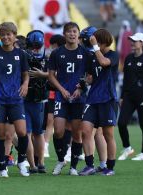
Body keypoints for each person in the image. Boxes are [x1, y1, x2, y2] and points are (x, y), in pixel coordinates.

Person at [0, 22, 30, 177]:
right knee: (0, 134)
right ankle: (3, 167)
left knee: (22, 131)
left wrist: (25, 84)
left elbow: (26, 74)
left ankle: (22, 161)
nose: (5, 37)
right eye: (2, 34)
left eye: (8, 34)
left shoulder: (21, 54)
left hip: (16, 99)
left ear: (14, 35)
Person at [48, 22, 89, 176]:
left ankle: (73, 167)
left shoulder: (85, 53)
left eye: (74, 31)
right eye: (69, 32)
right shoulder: (57, 53)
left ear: (78, 34)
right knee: (58, 131)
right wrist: (61, 89)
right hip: (61, 97)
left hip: (79, 98)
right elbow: (51, 75)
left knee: (77, 133)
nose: (72, 34)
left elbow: (89, 75)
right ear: (64, 34)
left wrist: (80, 88)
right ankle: (60, 160)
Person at [80, 28, 119, 176]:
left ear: (102, 42)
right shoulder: (93, 56)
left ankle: (109, 167)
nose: (93, 44)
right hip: (93, 98)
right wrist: (84, 82)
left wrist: (95, 47)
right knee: (85, 130)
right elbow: (91, 77)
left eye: (97, 42)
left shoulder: (113, 55)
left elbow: (104, 63)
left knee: (108, 135)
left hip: (107, 99)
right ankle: (89, 165)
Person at [118, 32, 143, 161]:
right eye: (132, 40)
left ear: (142, 44)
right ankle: (127, 148)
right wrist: (122, 96)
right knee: (121, 123)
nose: (132, 43)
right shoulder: (128, 58)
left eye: (135, 41)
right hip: (128, 96)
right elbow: (126, 79)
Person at [24, 30, 48, 173]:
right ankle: (37, 164)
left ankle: (36, 164)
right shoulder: (47, 55)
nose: (36, 49)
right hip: (33, 98)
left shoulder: (23, 55)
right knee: (33, 133)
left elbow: (53, 74)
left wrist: (42, 74)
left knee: (33, 133)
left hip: (34, 98)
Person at [43, 34, 66, 158]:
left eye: (53, 45)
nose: (51, 47)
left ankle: (70, 149)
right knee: (50, 120)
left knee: (68, 124)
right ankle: (45, 145)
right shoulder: (51, 58)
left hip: (65, 93)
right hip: (53, 93)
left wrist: (43, 74)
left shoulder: (63, 57)